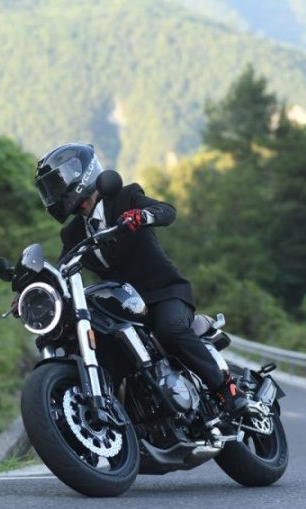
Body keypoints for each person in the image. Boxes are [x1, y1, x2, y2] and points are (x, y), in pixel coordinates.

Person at [33, 142, 252, 416]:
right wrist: (38, 287)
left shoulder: (126, 198)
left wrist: (142, 216)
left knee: (170, 330)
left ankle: (227, 389)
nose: (53, 193)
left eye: (56, 184)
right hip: (124, 306)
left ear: (80, 176)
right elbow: (63, 268)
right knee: (107, 354)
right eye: (49, 188)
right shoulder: (73, 233)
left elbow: (167, 211)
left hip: (164, 293)